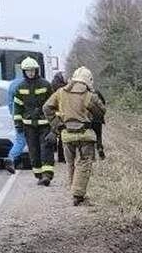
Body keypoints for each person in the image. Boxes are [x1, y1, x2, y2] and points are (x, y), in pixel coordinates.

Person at [43, 67, 106, 206]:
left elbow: (46, 108)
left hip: (66, 135)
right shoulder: (89, 95)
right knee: (84, 162)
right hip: (85, 135)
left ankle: (74, 192)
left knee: (71, 164)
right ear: (89, 80)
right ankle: (77, 195)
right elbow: (101, 112)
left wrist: (58, 125)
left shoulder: (60, 92)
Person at [13, 57, 55, 186]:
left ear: (36, 70)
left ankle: (47, 175)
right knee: (33, 150)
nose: (30, 73)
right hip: (29, 125)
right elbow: (18, 107)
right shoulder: (20, 87)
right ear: (24, 71)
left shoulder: (45, 85)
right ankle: (39, 175)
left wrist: (54, 124)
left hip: (45, 124)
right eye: (28, 71)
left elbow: (53, 104)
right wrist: (18, 124)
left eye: (32, 70)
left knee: (46, 148)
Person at [3, 76, 25, 174]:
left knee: (20, 139)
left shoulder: (13, 84)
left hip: (16, 115)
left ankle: (14, 159)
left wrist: (13, 113)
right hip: (27, 116)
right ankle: (12, 158)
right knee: (25, 140)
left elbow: (10, 102)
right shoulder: (26, 84)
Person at [51, 72, 67, 163]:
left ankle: (52, 154)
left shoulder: (52, 86)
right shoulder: (64, 87)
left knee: (54, 133)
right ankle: (62, 157)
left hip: (53, 113)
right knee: (62, 136)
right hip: (62, 113)